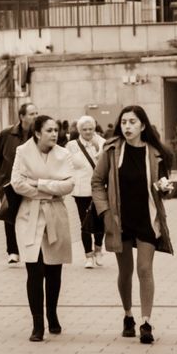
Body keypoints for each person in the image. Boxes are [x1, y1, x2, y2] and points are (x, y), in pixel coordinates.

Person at [91, 105, 175, 345]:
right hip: (120, 220)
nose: (127, 126)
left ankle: (146, 322)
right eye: (124, 122)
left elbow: (163, 185)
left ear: (143, 126)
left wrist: (165, 189)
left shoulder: (156, 154)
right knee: (125, 271)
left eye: (132, 122)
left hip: (147, 219)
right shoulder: (111, 151)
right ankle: (128, 315)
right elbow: (97, 182)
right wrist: (105, 211)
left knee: (145, 269)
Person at [10, 116, 75, 341]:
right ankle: (38, 324)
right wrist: (50, 188)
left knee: (54, 269)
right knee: (34, 270)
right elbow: (17, 183)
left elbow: (68, 184)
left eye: (56, 130)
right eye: (49, 130)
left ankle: (53, 315)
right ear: (37, 132)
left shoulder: (64, 154)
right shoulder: (22, 151)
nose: (54, 134)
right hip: (29, 216)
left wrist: (38, 183)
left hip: (55, 215)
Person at [0, 102, 38, 265]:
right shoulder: (7, 134)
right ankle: (12, 251)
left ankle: (30, 248)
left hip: (31, 182)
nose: (35, 116)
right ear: (22, 117)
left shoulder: (39, 134)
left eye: (36, 113)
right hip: (8, 182)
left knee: (30, 214)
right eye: (32, 114)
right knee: (9, 214)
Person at [66, 115, 106, 268]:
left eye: (91, 129)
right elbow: (66, 165)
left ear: (95, 129)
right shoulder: (71, 146)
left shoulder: (102, 143)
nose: (88, 132)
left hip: (99, 189)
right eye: (84, 129)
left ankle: (98, 250)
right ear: (79, 130)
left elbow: (106, 163)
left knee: (100, 221)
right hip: (81, 189)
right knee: (84, 223)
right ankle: (88, 255)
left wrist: (97, 148)